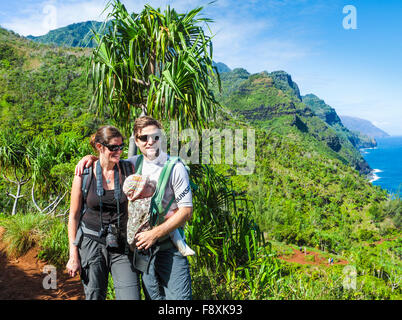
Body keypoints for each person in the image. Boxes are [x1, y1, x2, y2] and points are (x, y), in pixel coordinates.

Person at [75, 116, 193, 300]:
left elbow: (186, 211)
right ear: (136, 141)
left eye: (155, 137)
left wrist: (154, 234)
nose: (150, 142)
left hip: (168, 248)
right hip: (142, 252)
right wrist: (90, 158)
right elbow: (107, 159)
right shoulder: (132, 164)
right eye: (144, 138)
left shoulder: (175, 167)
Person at [66, 125, 141, 300]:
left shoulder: (129, 169)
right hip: (91, 243)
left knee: (131, 296)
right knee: (95, 295)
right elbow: (74, 216)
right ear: (100, 147)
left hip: (122, 244)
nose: (119, 151)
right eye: (114, 147)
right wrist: (73, 254)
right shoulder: (84, 173)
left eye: (121, 146)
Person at [123, 173, 195, 256]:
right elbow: (166, 215)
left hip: (136, 240)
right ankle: (183, 248)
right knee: (171, 226)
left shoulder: (134, 203)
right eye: (146, 186)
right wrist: (180, 211)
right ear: (140, 195)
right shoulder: (145, 204)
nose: (150, 185)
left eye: (148, 183)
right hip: (142, 237)